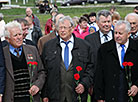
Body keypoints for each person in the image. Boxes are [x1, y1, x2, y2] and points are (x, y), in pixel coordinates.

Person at [41, 16, 94, 102]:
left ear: (72, 28)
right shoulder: (48, 46)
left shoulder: (84, 46)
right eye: (60, 28)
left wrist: (84, 84)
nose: (62, 30)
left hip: (76, 96)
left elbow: (91, 68)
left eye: (65, 28)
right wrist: (45, 94)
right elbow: (44, 70)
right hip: (55, 96)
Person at [94, 20, 138, 102]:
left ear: (128, 34)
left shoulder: (136, 47)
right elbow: (99, 73)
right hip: (111, 93)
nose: (117, 36)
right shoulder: (105, 49)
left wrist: (136, 85)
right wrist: (99, 96)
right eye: (115, 33)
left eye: (120, 33)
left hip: (131, 95)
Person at [3, 21, 45, 102]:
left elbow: (42, 72)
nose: (19, 37)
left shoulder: (32, 50)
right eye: (15, 35)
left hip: (31, 98)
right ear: (7, 39)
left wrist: (37, 85)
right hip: (12, 98)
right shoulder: (3, 54)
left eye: (20, 34)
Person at [85, 9, 114, 102]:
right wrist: (90, 84)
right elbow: (88, 63)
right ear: (97, 23)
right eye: (104, 22)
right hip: (96, 86)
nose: (106, 24)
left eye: (108, 21)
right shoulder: (89, 39)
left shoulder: (118, 37)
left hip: (116, 85)